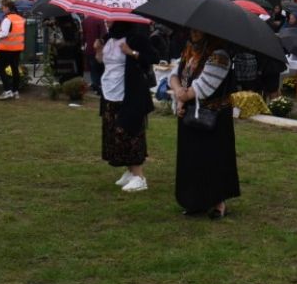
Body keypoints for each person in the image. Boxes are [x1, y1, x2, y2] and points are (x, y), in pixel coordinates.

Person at [169, 30, 240, 218]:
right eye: (192, 29)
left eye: (198, 30)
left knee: (213, 158)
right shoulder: (189, 50)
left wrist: (183, 96)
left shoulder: (219, 55)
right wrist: (179, 92)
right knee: (191, 158)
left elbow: (204, 86)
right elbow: (174, 75)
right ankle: (195, 201)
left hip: (213, 116)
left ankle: (218, 202)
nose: (194, 33)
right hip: (190, 113)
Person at [95, 22, 155, 192]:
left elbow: (152, 58)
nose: (107, 21)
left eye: (111, 19)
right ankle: (130, 171)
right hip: (110, 91)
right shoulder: (108, 38)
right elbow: (102, 61)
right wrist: (98, 50)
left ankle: (139, 176)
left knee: (130, 130)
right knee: (115, 131)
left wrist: (131, 52)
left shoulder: (135, 38)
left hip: (130, 93)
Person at [0, 0, 26, 100]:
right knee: (15, 68)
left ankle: (7, 90)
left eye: (3, 8)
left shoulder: (7, 19)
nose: (2, 9)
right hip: (17, 47)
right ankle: (15, 91)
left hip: (7, 48)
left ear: (8, 8)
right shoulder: (20, 18)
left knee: (1, 68)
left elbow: (4, 33)